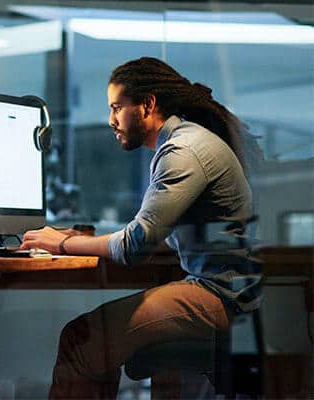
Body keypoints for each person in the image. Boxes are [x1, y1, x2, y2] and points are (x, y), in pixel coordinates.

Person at [19, 57, 262, 398]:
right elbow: (147, 230)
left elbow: (134, 246)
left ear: (147, 105)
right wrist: (84, 239)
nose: (111, 120)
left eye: (117, 107)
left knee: (82, 338)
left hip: (220, 297)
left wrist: (60, 243)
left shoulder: (183, 150)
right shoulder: (185, 142)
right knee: (96, 340)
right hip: (227, 293)